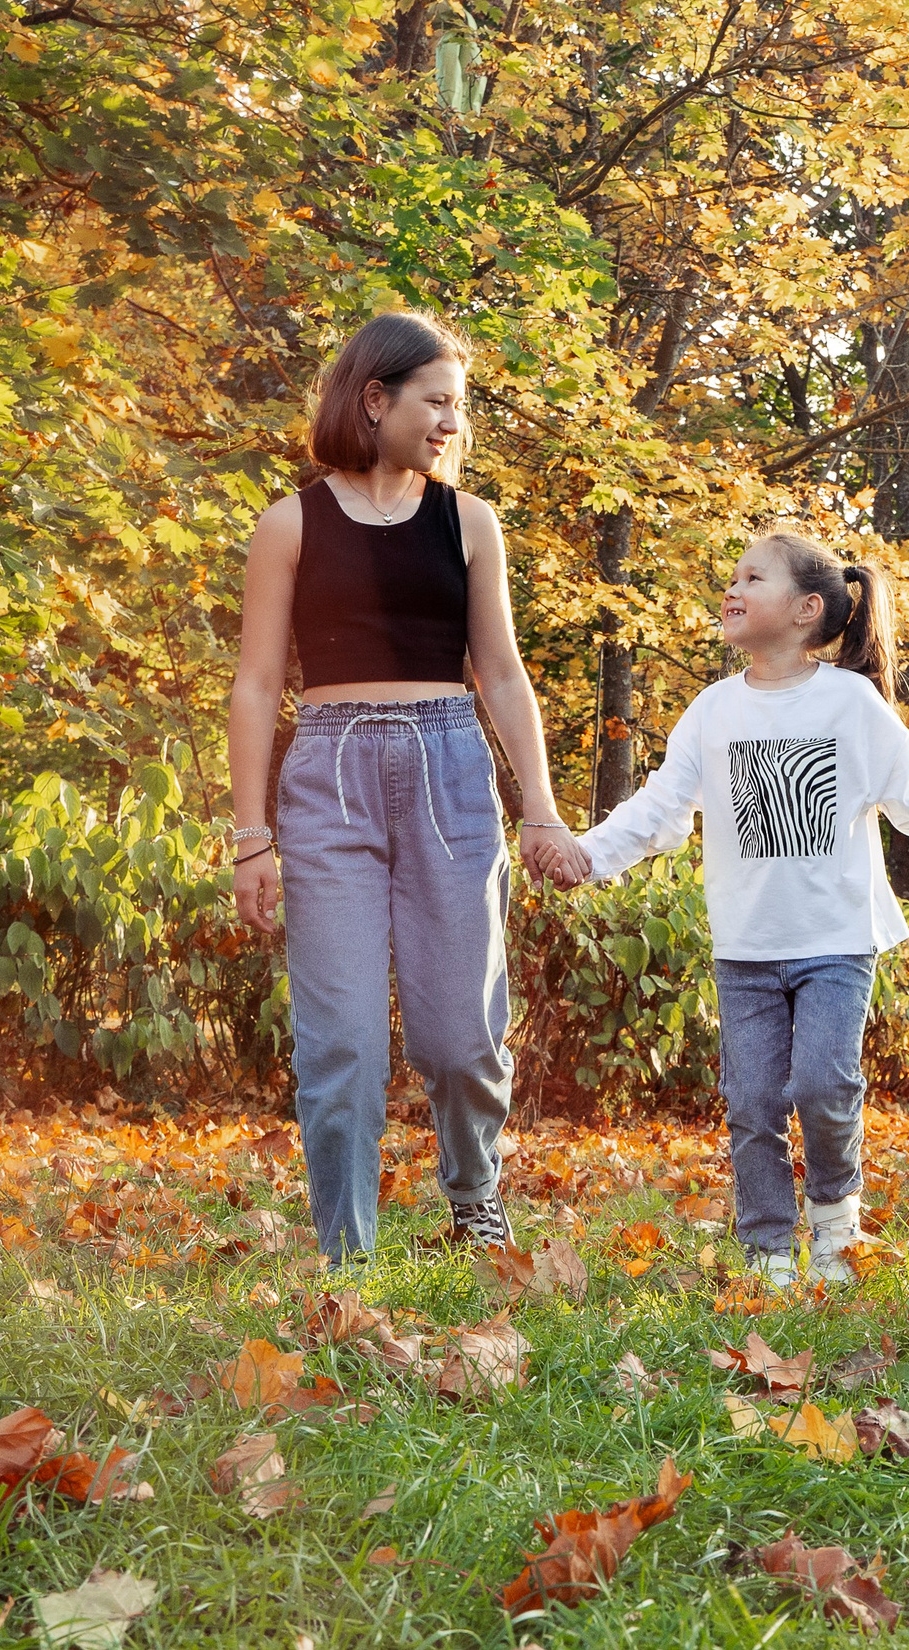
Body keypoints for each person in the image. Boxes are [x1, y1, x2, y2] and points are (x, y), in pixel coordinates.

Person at [537, 531, 909, 1290]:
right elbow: (659, 811)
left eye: (752, 577)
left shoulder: (850, 704)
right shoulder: (712, 711)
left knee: (823, 1086)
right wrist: (586, 856)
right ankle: (766, 1248)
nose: (732, 588)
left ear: (805, 609)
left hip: (836, 940)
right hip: (746, 946)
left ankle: (833, 1220)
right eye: (732, 575)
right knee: (753, 1099)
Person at [228, 311, 585, 1265]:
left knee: (462, 1033)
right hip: (329, 779)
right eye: (437, 401)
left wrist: (540, 809)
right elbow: (260, 684)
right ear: (374, 398)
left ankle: (475, 1199)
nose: (450, 423)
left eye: (457, 408)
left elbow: (502, 675)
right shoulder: (290, 522)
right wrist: (249, 835)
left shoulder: (468, 522)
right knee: (341, 1042)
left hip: (448, 773)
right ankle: (349, 1250)